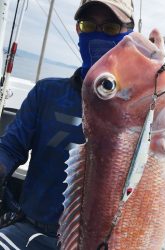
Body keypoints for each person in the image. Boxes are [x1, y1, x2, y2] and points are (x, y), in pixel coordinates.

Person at [0, 0, 134, 249]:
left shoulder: (142, 110)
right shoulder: (47, 92)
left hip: (106, 242)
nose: (98, 35)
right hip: (32, 231)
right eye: (88, 25)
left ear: (130, 34)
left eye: (111, 28)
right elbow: (10, 148)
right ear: (78, 30)